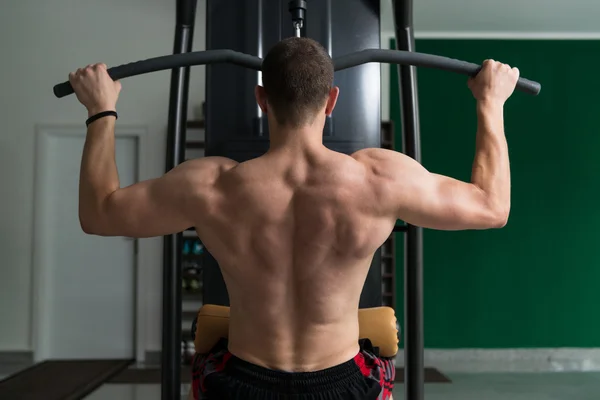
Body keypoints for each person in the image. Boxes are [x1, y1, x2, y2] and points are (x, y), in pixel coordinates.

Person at [68, 37, 519, 400]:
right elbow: (491, 208)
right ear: (331, 101)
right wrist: (491, 103)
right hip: (346, 386)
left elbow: (100, 213)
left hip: (240, 384)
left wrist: (100, 111)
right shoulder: (380, 178)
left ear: (262, 98)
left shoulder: (210, 186)